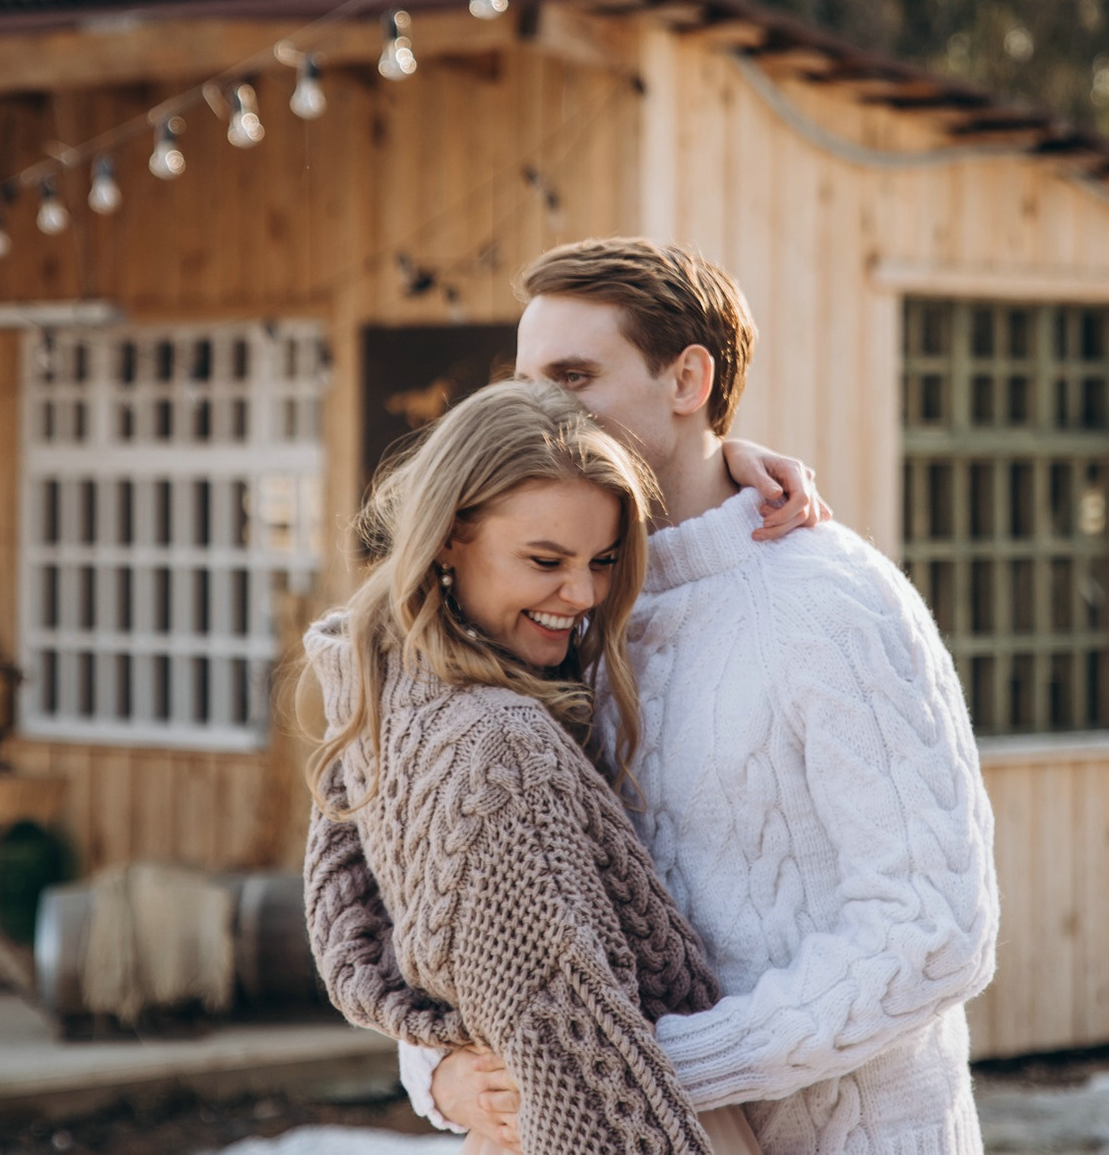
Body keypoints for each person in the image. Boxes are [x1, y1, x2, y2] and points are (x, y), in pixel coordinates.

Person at [395, 239, 1002, 1154]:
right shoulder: (558, 616)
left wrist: (634, 1068)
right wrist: (440, 1072)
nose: (536, 409)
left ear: (688, 379)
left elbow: (934, 932)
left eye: (572, 375)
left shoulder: (834, 604)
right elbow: (444, 905)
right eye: (524, 381)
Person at [300, 379, 762, 1154]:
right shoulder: (500, 749)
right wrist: (450, 1074)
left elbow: (378, 945)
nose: (581, 593)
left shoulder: (382, 692)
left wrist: (444, 1075)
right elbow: (579, 1066)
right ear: (449, 535)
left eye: (604, 559)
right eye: (545, 559)